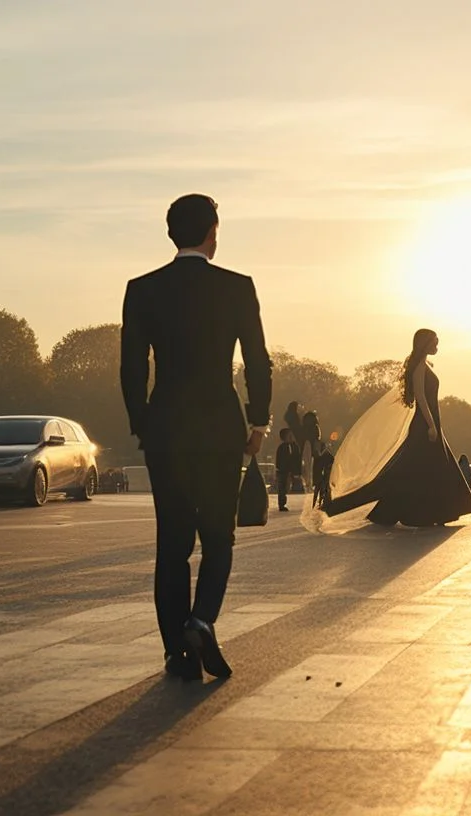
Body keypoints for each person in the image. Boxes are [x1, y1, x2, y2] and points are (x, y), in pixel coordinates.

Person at [120, 193, 272, 681]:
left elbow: (131, 367)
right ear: (213, 232)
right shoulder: (237, 287)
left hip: (166, 427)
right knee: (218, 537)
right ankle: (202, 619)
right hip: (220, 427)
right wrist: (259, 420)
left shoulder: (141, 290)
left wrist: (143, 421)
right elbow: (257, 360)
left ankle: (175, 651)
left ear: (171, 234)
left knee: (173, 543)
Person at [322, 329, 471, 527]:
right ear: (425, 344)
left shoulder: (422, 365)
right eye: (434, 342)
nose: (437, 346)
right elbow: (421, 398)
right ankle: (435, 512)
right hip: (425, 424)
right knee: (418, 470)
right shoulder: (420, 367)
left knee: (419, 470)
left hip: (428, 423)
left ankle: (427, 513)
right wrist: (431, 425)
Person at [275, 428, 303, 512]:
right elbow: (279, 460)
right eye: (289, 435)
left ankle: (283, 501)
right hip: (283, 470)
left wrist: (297, 471)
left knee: (287, 487)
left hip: (291, 469)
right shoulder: (281, 447)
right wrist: (280, 469)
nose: (291, 437)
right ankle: (282, 504)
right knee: (282, 487)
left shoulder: (295, 446)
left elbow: (297, 459)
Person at [311, 441, 334, 509]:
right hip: (321, 477)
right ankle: (318, 504)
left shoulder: (324, 456)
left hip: (324, 477)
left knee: (322, 490)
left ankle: (321, 503)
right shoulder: (319, 457)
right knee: (320, 490)